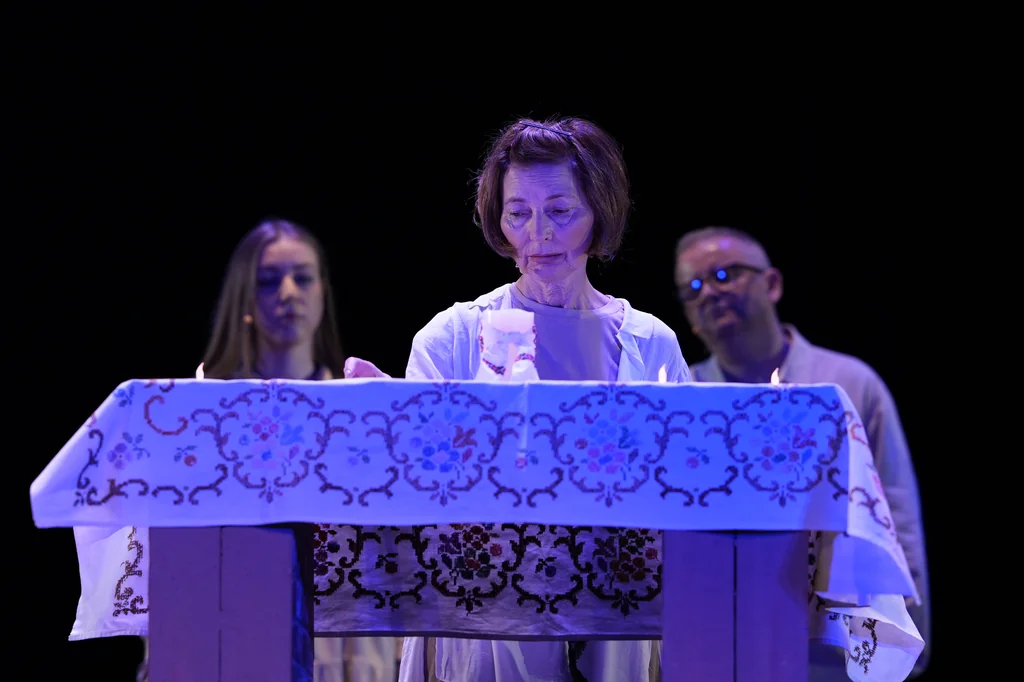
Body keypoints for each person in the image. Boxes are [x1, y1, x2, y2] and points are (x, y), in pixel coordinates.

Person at [347, 117, 690, 682]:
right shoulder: (452, 337)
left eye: (560, 210)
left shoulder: (650, 343)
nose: (539, 233)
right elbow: (416, 501)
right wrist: (393, 426)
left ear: (599, 212)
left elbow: (683, 488)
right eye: (518, 213)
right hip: (483, 621)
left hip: (616, 620)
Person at [68, 218, 400, 682]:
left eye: (303, 278)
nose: (288, 292)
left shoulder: (353, 406)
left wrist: (387, 417)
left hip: (334, 637)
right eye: (268, 280)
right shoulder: (195, 409)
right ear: (244, 298)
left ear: (323, 293)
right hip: (224, 632)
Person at [673, 225, 930, 680]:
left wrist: (903, 638)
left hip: (829, 650)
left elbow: (895, 512)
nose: (709, 292)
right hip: (717, 643)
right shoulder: (683, 398)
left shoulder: (846, 384)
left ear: (772, 283)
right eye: (693, 288)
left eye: (725, 275)